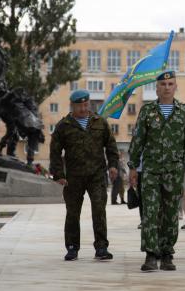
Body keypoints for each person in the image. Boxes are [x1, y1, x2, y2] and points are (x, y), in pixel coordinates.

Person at [128, 70, 185, 272]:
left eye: (170, 84)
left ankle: (167, 253)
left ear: (175, 87)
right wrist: (132, 166)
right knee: (149, 212)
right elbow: (138, 139)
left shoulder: (184, 111)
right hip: (150, 171)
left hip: (174, 172)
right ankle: (151, 254)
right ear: (157, 88)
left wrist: (182, 164)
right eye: (163, 84)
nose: (167, 87)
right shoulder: (147, 111)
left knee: (170, 213)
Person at [49, 89, 119, 261]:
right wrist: (58, 174)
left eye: (85, 104)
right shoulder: (63, 126)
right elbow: (55, 151)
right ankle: (72, 247)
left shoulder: (100, 122)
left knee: (99, 210)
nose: (83, 108)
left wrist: (113, 166)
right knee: (72, 212)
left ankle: (101, 247)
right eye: (79, 105)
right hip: (73, 177)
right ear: (72, 105)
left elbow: (111, 147)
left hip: (97, 175)